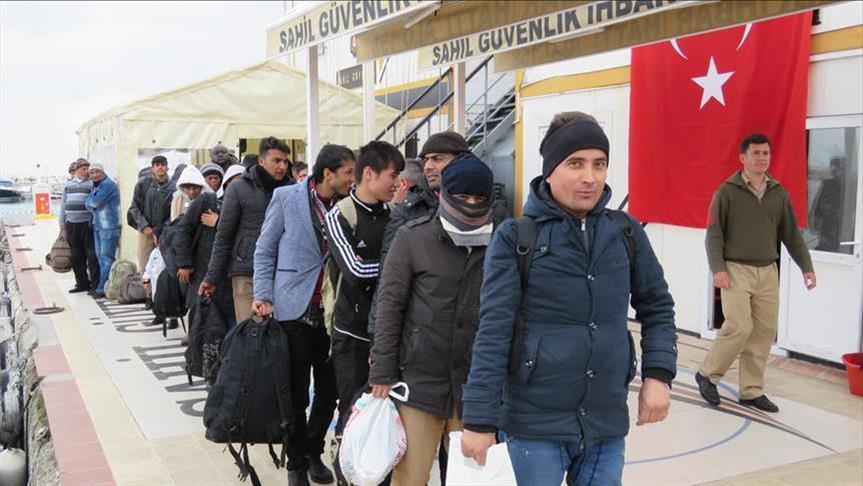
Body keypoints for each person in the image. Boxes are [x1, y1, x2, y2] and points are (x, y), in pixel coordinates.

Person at [460, 113, 677, 486]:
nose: (589, 177)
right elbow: (494, 330)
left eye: (599, 164)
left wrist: (658, 375)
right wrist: (479, 420)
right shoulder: (516, 237)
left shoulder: (625, 232)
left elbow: (657, 306)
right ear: (549, 171)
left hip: (605, 424)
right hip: (533, 427)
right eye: (576, 164)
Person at [369, 153, 495, 486]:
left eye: (479, 199)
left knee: (472, 481)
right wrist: (382, 368)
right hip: (418, 384)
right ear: (446, 194)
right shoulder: (412, 238)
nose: (470, 205)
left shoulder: (501, 243)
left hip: (474, 390)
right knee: (411, 477)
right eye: (463, 196)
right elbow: (389, 306)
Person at [252, 143, 356, 486]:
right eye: (348, 172)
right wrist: (263, 294)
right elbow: (265, 249)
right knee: (296, 393)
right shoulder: (286, 197)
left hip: (333, 314)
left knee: (329, 391)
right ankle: (295, 464)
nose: (352, 179)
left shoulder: (348, 204)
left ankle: (313, 451)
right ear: (327, 173)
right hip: (293, 309)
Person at [697, 133, 816, 413]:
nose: (762, 158)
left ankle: (751, 390)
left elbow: (792, 235)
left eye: (765, 153)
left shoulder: (778, 192)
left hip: (768, 271)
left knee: (763, 332)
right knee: (739, 326)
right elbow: (714, 234)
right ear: (743, 157)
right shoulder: (726, 192)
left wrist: (807, 267)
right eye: (756, 153)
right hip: (736, 269)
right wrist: (718, 269)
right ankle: (707, 375)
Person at [323, 141, 403, 481]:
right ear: (368, 174)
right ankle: (348, 473)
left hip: (389, 332)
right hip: (352, 332)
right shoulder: (340, 215)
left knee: (386, 417)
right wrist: (393, 269)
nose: (397, 183)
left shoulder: (395, 216)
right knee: (353, 411)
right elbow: (355, 271)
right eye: (392, 175)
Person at [199, 137, 291, 324]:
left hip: (284, 272)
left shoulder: (292, 189)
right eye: (276, 160)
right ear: (261, 160)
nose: (282, 166)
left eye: (285, 161)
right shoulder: (238, 189)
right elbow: (224, 236)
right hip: (246, 272)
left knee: (283, 334)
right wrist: (211, 277)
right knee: (252, 332)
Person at [175, 163, 240, 329]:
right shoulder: (207, 201)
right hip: (204, 269)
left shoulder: (247, 205)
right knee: (204, 320)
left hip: (233, 273)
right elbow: (183, 230)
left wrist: (218, 222)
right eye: (234, 182)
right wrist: (184, 264)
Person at [128, 155, 176, 273]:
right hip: (146, 233)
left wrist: (162, 229)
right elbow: (134, 207)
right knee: (144, 268)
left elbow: (174, 212)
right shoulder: (143, 184)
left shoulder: (173, 187)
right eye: (157, 165)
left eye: (163, 165)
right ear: (152, 168)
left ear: (167, 168)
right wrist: (144, 226)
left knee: (164, 268)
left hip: (164, 234)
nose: (160, 167)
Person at [59, 158, 99, 294]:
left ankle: (95, 285)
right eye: (84, 169)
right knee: (76, 256)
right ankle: (81, 284)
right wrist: (61, 223)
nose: (87, 171)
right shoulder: (67, 185)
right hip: (71, 225)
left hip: (87, 224)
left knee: (91, 255)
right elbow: (63, 205)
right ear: (76, 170)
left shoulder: (91, 184)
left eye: (88, 169)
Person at [85, 163, 121, 299]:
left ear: (103, 172)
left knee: (106, 258)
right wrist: (90, 202)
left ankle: (103, 288)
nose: (94, 175)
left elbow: (93, 203)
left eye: (97, 172)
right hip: (99, 225)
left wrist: (90, 202)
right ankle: (103, 286)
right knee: (100, 257)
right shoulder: (97, 186)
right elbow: (89, 203)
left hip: (109, 226)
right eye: (92, 172)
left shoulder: (107, 185)